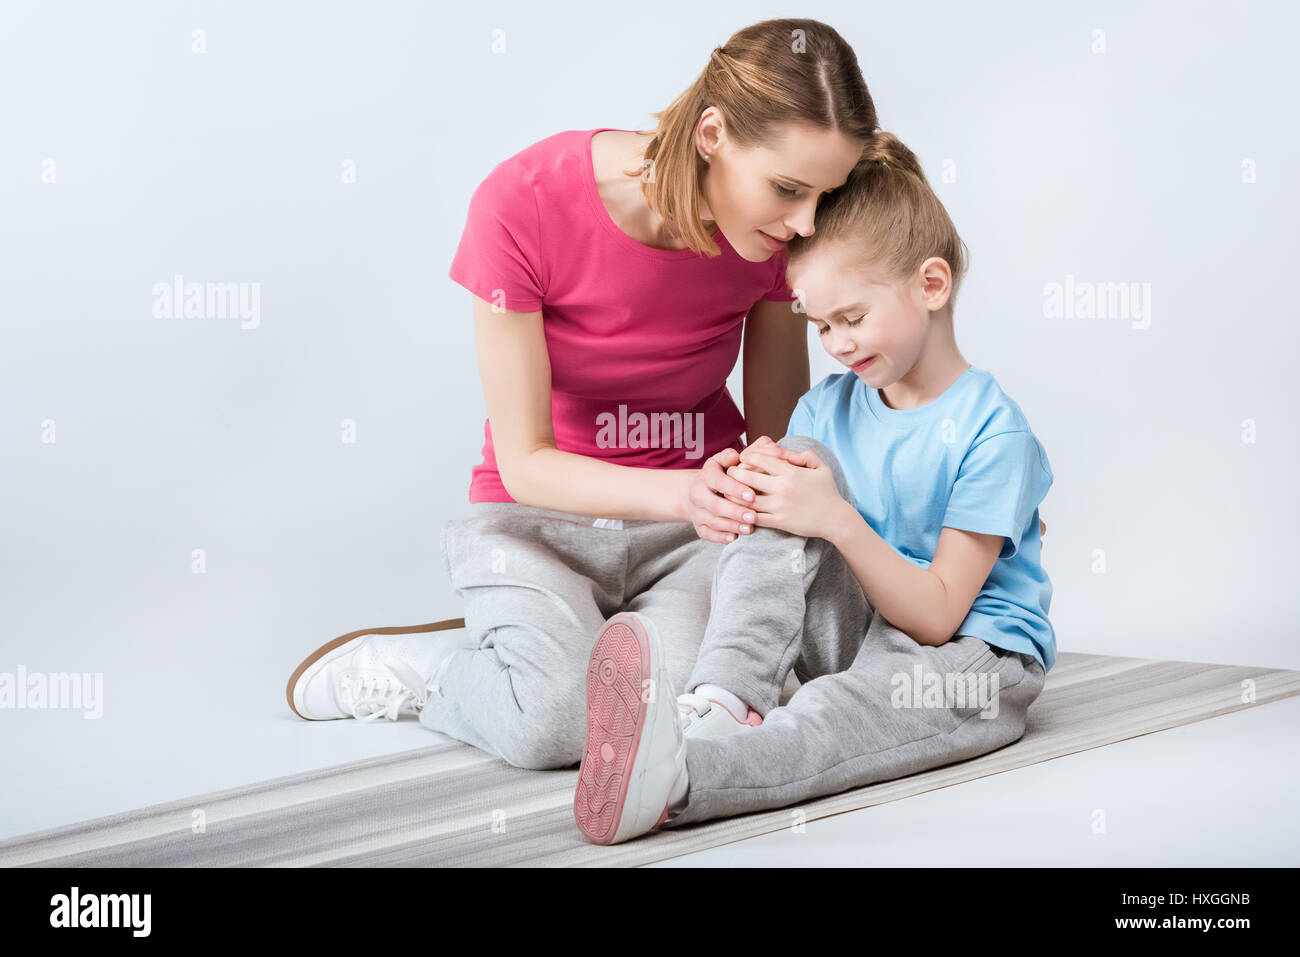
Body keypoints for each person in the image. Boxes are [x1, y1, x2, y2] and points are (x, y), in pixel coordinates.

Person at [283, 18, 879, 768]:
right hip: (540, 520)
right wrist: (686, 493)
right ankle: (441, 670)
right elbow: (526, 458)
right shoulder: (521, 202)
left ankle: (546, 647)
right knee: (555, 726)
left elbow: (777, 434)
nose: (805, 223)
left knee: (669, 714)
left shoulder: (775, 246)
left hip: (693, 536)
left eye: (823, 196)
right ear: (712, 134)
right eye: (788, 189)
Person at [573, 131, 1056, 844]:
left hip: (968, 656)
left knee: (841, 715)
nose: (835, 343)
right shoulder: (826, 411)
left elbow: (937, 617)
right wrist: (739, 489)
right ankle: (722, 700)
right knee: (783, 459)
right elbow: (781, 543)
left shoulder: (994, 434)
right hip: (858, 629)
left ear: (931, 284)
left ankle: (681, 779)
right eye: (820, 323)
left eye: (852, 318)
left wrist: (835, 519)